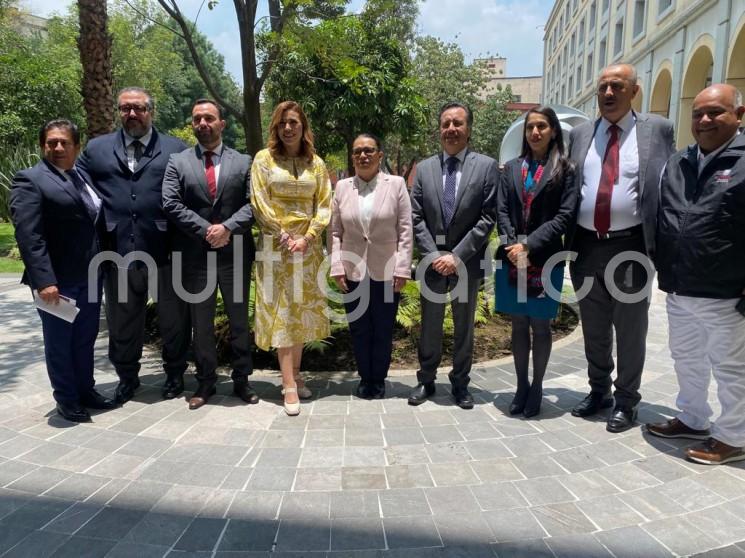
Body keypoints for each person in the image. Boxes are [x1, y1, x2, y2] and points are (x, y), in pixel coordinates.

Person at [567, 63, 675, 432]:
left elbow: (669, 183)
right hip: (585, 246)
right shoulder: (581, 134)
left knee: (630, 329)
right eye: (603, 88)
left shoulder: (657, 130)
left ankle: (627, 400)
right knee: (594, 328)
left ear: (634, 91)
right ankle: (599, 392)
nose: (608, 94)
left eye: (616, 86)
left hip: (630, 246)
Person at [646, 84, 745, 465]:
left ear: (739, 116)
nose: (704, 120)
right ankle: (692, 417)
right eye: (698, 113)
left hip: (726, 293)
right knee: (686, 357)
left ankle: (734, 436)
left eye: (716, 112)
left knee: (731, 367)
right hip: (680, 285)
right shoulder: (680, 160)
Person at [77, 87, 191, 403]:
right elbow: (79, 192)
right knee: (122, 320)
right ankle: (127, 378)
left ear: (150, 111)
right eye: (125, 108)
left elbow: (190, 193)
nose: (131, 114)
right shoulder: (97, 150)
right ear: (118, 111)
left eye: (138, 108)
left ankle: (174, 373)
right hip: (117, 251)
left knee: (174, 318)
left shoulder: (175, 149)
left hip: (165, 251)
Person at [10, 120, 116, 422]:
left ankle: (86, 391)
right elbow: (30, 236)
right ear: (42, 145)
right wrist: (44, 281)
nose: (57, 147)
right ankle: (67, 399)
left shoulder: (82, 176)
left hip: (90, 277)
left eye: (64, 142)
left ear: (76, 146)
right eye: (51, 142)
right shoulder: (29, 180)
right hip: (56, 284)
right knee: (60, 342)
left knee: (85, 339)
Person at [162, 99, 257, 410]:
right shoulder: (178, 162)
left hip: (235, 255)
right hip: (195, 256)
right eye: (197, 119)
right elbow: (171, 203)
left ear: (221, 124)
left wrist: (227, 227)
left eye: (209, 118)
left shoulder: (244, 162)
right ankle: (206, 382)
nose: (202, 123)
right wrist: (207, 229)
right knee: (200, 323)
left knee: (239, 319)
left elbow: (254, 203)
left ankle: (242, 380)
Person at [409, 102, 499, 409]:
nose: (451, 129)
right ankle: (426, 380)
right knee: (430, 323)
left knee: (464, 325)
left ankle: (461, 383)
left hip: (467, 262)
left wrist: (456, 256)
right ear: (439, 130)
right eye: (446, 123)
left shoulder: (485, 166)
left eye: (457, 123)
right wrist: (434, 255)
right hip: (432, 262)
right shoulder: (424, 168)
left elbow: (488, 217)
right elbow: (416, 216)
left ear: (468, 129)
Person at [250, 101, 332, 415]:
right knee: (283, 312)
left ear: (303, 127)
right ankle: (288, 385)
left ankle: (296, 375)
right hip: (276, 247)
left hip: (307, 250)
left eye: (294, 122)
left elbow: (324, 203)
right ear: (276, 126)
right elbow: (259, 201)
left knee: (299, 312)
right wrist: (283, 235)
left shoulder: (317, 164)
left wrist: (309, 237)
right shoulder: (264, 160)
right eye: (283, 122)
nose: (288, 128)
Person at [496, 106, 578, 418]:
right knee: (518, 324)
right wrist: (512, 246)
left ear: (553, 130)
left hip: (545, 259)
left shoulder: (566, 170)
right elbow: (501, 211)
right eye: (530, 127)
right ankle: (520, 386)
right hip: (511, 258)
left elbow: (565, 215)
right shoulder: (512, 168)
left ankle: (538, 386)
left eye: (542, 126)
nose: (535, 132)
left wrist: (529, 244)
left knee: (541, 326)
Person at [329, 134, 413, 399]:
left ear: (380, 155)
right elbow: (335, 231)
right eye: (357, 152)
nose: (363, 156)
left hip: (387, 271)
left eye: (369, 150)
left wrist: (402, 268)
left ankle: (379, 378)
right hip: (352, 270)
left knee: (383, 327)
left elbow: (405, 229)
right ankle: (365, 378)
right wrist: (337, 266)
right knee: (359, 328)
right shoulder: (342, 187)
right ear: (352, 157)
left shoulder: (396, 184)